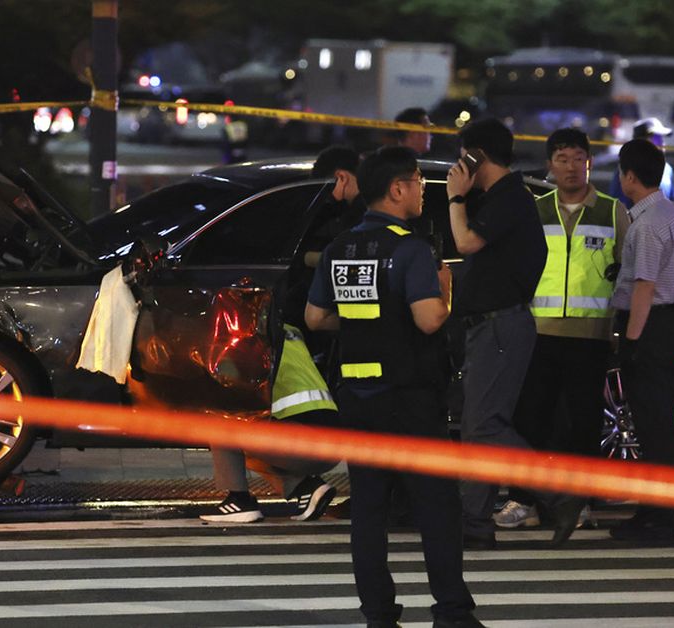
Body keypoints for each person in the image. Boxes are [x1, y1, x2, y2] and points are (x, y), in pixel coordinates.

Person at [307, 146, 482, 628]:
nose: (424, 191)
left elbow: (315, 317)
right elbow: (429, 321)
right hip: (411, 398)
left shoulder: (340, 249)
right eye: (420, 183)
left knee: (368, 508)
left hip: (359, 398)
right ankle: (452, 612)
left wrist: (369, 319)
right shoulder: (412, 249)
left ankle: (378, 615)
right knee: (436, 508)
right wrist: (445, 289)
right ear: (397, 188)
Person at [444, 118, 586, 549]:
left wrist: (454, 197)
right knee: (479, 427)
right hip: (492, 326)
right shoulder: (503, 198)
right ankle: (474, 523)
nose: (457, 165)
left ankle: (560, 494)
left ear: (476, 156)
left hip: (500, 326)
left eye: (461, 156)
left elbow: (465, 243)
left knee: (485, 426)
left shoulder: (508, 198)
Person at [496, 128, 630, 529]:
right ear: (550, 165)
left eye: (578, 158)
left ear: (589, 162)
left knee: (583, 424)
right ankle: (523, 501)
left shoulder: (612, 211)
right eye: (562, 158)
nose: (571, 167)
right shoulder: (536, 212)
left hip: (590, 337)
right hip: (539, 334)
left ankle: (580, 502)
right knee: (530, 420)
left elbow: (627, 273)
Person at [608, 139, 674, 543]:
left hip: (650, 326)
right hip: (666, 323)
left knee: (653, 425)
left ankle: (658, 519)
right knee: (657, 423)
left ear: (629, 176)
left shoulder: (647, 223)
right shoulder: (671, 212)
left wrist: (633, 339)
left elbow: (644, 286)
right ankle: (654, 512)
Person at [199, 324, 339, 523]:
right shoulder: (289, 332)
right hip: (336, 443)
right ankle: (306, 488)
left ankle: (239, 501)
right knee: (243, 448)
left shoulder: (246, 342)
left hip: (304, 443)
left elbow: (232, 399)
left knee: (221, 418)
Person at [609, 118, 674, 208]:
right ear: (640, 142)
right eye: (656, 138)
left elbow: (672, 202)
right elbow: (619, 207)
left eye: (661, 138)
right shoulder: (625, 169)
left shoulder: (667, 169)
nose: (662, 143)